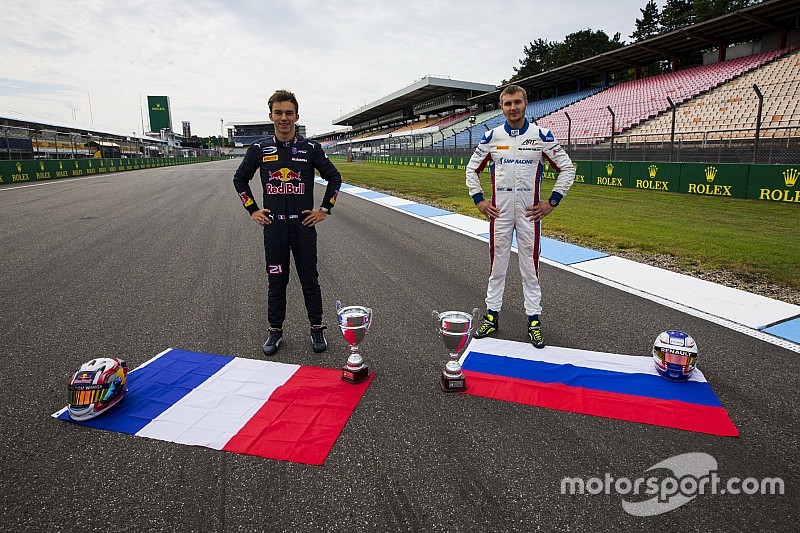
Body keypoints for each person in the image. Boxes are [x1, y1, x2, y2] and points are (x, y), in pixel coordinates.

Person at [466, 84, 575, 348]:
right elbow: (471, 169)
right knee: (497, 267)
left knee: (530, 268)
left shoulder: (542, 135)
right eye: (507, 103)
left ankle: (534, 320)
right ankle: (492, 316)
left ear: (526, 103)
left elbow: (568, 168)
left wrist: (552, 202)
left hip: (529, 214)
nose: (513, 108)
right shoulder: (491, 136)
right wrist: (479, 200)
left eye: (517, 102)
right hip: (500, 214)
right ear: (502, 107)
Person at [233, 89, 342, 356]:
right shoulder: (259, 148)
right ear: (270, 115)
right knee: (276, 281)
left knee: (309, 280)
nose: (284, 118)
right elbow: (240, 180)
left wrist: (324, 209)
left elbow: (335, 178)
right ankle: (274, 332)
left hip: (304, 227)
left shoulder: (311, 148)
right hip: (275, 228)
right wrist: (253, 210)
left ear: (296, 116)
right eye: (279, 112)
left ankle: (316, 328)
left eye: (289, 113)